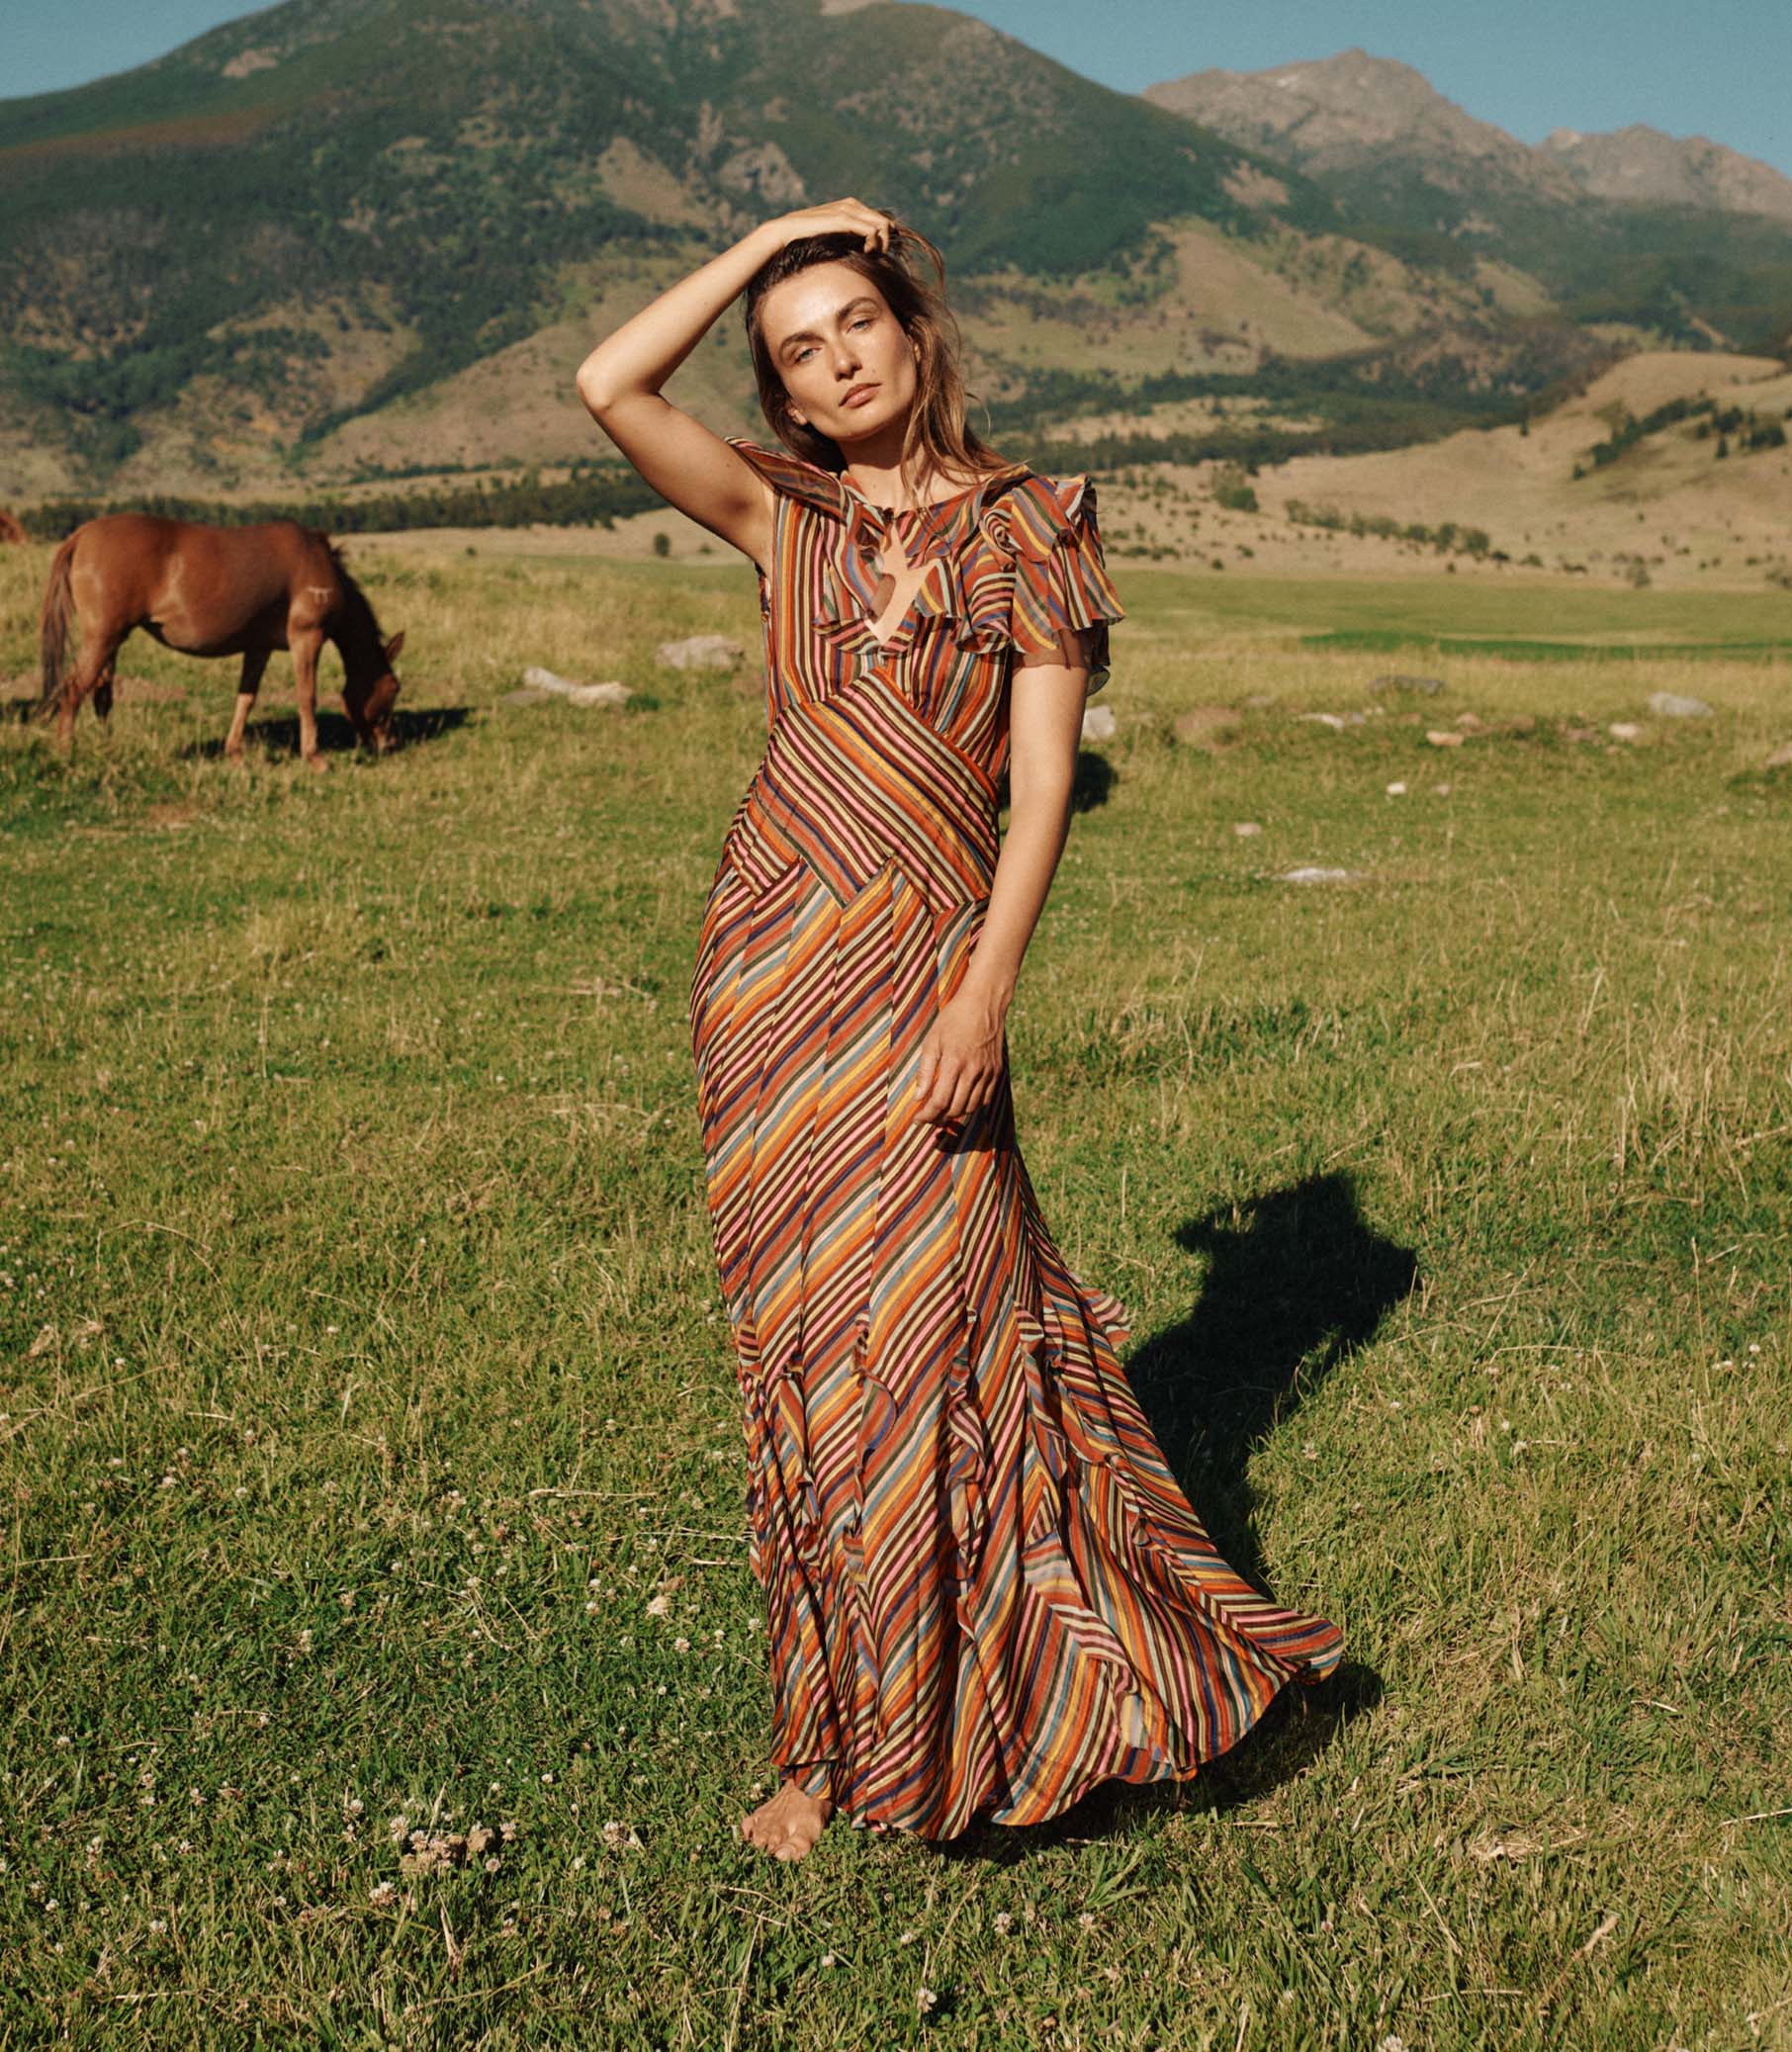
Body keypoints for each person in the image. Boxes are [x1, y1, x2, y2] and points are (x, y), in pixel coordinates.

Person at [575, 201, 1343, 1861]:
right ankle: (825, 1741)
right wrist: (776, 234)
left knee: (947, 1332)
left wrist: (985, 992)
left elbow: (1045, 780)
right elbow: (607, 382)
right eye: (797, 352)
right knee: (808, 1357)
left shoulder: (1032, 526)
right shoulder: (783, 519)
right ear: (782, 400)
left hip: (928, 972)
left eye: (855, 319)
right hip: (770, 975)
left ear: (917, 335)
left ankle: (1035, 1702)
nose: (834, 360)